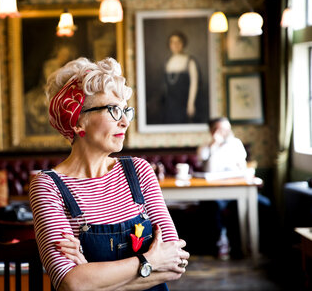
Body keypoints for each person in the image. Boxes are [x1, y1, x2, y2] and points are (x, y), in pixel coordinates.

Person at [29, 57, 189, 291]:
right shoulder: (48, 186)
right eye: (113, 110)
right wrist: (150, 261)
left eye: (126, 110)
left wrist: (92, 278)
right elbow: (70, 283)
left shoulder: (139, 171)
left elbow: (175, 263)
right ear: (77, 121)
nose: (125, 122)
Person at [197, 117, 247, 260]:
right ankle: (221, 244)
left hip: (236, 190)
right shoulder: (205, 148)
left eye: (228, 129)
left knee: (251, 204)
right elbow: (208, 169)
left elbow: (242, 167)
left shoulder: (236, 144)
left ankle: (241, 246)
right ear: (212, 131)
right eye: (221, 129)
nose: (226, 132)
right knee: (212, 205)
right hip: (213, 193)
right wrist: (214, 146)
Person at [163, 31, 199, 124]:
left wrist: (191, 104)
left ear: (183, 43)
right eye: (172, 42)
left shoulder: (190, 61)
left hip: (184, 102)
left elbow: (194, 84)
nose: (175, 45)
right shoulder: (168, 62)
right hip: (170, 103)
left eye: (178, 42)